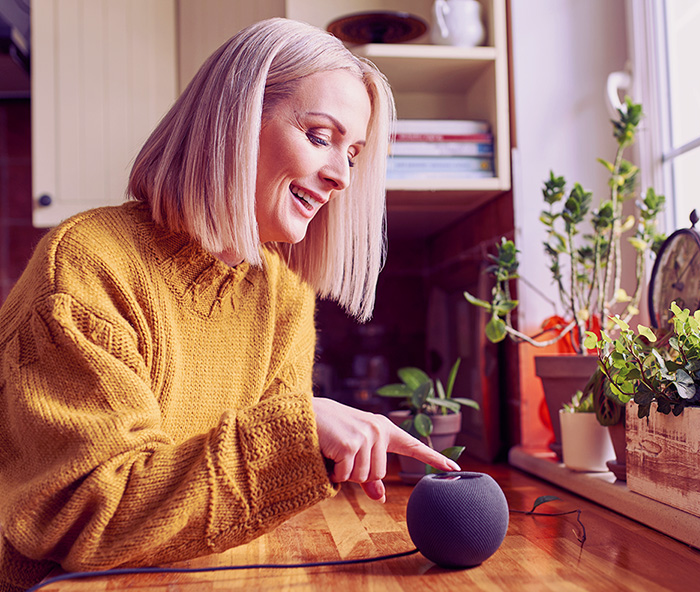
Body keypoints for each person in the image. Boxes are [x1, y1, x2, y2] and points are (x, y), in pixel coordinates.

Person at [0, 18, 459, 592]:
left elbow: (238, 501)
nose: (342, 175)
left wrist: (304, 441)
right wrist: (299, 429)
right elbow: (88, 523)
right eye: (320, 136)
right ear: (236, 122)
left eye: (354, 152)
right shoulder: (88, 265)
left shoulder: (281, 296)